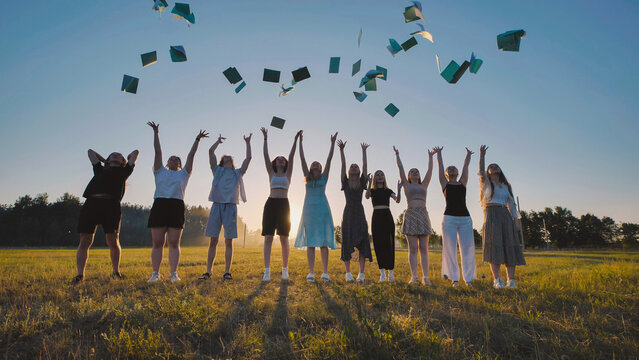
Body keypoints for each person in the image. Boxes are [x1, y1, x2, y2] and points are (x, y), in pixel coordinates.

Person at [146, 122, 208, 283]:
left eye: (176, 159)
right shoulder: (159, 171)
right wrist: (156, 132)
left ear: (179, 164)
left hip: (176, 205)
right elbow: (157, 151)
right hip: (160, 204)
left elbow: (191, 156)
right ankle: (155, 273)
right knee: (157, 242)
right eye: (171, 159)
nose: (173, 160)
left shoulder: (184, 174)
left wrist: (197, 139)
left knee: (174, 242)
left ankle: (173, 273)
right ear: (167, 163)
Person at [72, 148, 139, 283]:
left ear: (123, 162)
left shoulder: (124, 171)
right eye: (112, 155)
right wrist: (106, 162)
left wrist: (123, 160)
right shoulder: (100, 169)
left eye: (119, 156)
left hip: (111, 206)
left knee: (113, 240)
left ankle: (116, 272)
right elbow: (91, 152)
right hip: (92, 203)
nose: (115, 155)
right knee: (85, 240)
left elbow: (135, 153)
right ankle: (80, 275)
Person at [199, 133, 252, 281]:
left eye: (230, 158)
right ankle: (208, 271)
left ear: (232, 162)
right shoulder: (217, 171)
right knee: (213, 240)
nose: (228, 159)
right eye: (225, 158)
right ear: (222, 162)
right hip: (217, 206)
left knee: (229, 241)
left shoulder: (237, 173)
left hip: (230, 207)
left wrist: (247, 143)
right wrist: (217, 142)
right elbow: (210, 153)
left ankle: (227, 272)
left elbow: (248, 159)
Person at [478, 145, 525, 289]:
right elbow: (480, 171)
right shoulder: (486, 183)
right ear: (488, 171)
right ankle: (497, 280)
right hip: (491, 214)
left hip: (505, 215)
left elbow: (512, 203)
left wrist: (515, 220)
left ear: (500, 170)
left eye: (496, 166)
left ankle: (511, 281)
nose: (493, 167)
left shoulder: (506, 185)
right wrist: (482, 155)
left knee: (510, 246)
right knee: (495, 246)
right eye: (491, 167)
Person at [295, 131, 338, 282]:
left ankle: (325, 272)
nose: (315, 164)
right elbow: (302, 158)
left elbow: (329, 159)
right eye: (313, 163)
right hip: (309, 212)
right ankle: (311, 272)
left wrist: (332, 143)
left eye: (317, 164)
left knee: (324, 242)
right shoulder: (307, 179)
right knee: (311, 243)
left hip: (323, 212)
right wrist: (300, 141)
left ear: (320, 169)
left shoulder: (324, 178)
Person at [260, 127, 302, 282]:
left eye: (282, 159)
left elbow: (292, 155)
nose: (280, 159)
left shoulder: (287, 174)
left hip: (284, 205)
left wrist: (296, 139)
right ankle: (267, 271)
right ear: (274, 163)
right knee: (268, 238)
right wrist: (265, 138)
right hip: (270, 204)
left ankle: (285, 269)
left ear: (285, 163)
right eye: (278, 158)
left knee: (284, 238)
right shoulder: (271, 173)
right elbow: (265, 156)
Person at [433, 146, 476, 288]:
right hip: (449, 218)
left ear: (457, 172)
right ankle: (454, 279)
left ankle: (468, 279)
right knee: (450, 248)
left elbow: (466, 167)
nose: (451, 169)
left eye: (453, 168)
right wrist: (438, 154)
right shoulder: (444, 183)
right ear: (446, 174)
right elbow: (440, 167)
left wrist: (468, 155)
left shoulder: (462, 182)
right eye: (449, 169)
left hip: (465, 219)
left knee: (468, 248)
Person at [393, 146, 435, 285]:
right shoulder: (406, 184)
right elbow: (400, 168)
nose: (414, 172)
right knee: (413, 249)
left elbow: (430, 171)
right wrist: (397, 155)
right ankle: (414, 277)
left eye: (416, 171)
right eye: (412, 172)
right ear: (409, 176)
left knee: (424, 249)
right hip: (411, 215)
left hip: (423, 215)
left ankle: (426, 277)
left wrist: (430, 157)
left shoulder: (424, 184)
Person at [337, 140, 372, 282]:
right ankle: (348, 273)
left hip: (359, 213)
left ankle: (361, 274)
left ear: (358, 171)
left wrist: (364, 151)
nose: (353, 167)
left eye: (355, 166)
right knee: (347, 241)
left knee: (363, 240)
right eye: (352, 166)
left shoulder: (362, 181)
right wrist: (341, 151)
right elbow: (343, 165)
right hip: (348, 214)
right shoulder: (345, 182)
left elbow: (364, 166)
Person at [365, 170, 401, 282]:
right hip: (376, 217)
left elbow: (397, 200)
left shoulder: (388, 190)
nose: (380, 177)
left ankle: (391, 273)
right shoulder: (372, 190)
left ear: (384, 177)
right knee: (378, 244)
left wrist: (399, 189)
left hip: (387, 217)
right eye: (377, 175)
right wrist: (369, 182)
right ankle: (382, 274)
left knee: (389, 244)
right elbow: (366, 196)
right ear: (375, 178)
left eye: (382, 175)